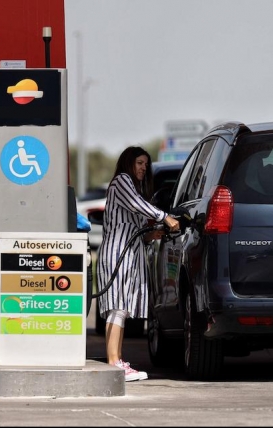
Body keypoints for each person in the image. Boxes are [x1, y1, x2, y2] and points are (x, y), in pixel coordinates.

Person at [96, 146, 179, 382]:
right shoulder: (122, 181)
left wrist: (149, 236)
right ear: (128, 163)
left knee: (120, 309)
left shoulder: (132, 186)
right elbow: (137, 205)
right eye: (139, 163)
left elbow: (134, 224)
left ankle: (118, 361)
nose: (143, 168)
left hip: (128, 254)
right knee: (116, 308)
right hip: (117, 254)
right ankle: (114, 363)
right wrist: (166, 217)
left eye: (146, 164)